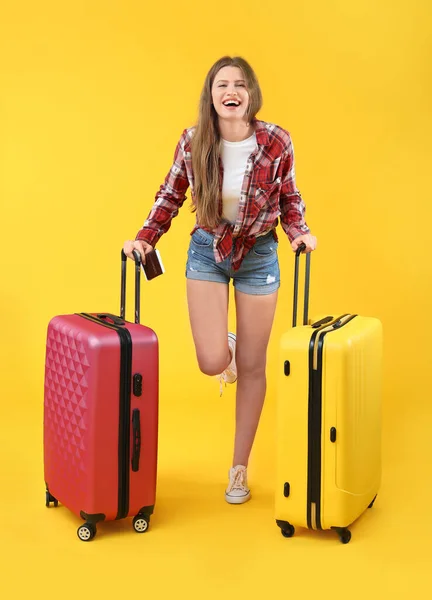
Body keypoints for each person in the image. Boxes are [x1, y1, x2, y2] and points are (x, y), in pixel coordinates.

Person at [123, 56, 317, 505]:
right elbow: (170, 195)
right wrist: (144, 239)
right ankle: (226, 345)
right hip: (207, 251)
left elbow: (289, 196)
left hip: (259, 253)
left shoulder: (276, 140)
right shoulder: (194, 141)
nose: (231, 91)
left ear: (251, 94)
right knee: (213, 361)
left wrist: (300, 232)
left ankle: (238, 468)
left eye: (240, 84)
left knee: (252, 367)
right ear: (211, 95)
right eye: (222, 84)